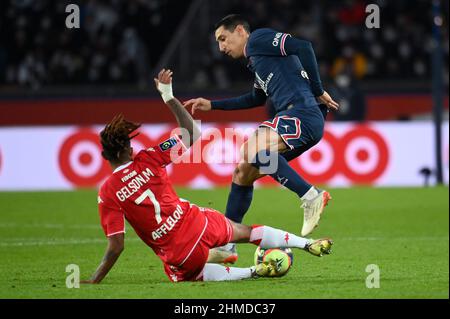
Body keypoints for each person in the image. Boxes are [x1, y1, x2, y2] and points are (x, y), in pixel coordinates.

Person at [81, 69, 333, 283]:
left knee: (185, 272)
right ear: (129, 147)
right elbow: (192, 134)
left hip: (179, 251)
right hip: (200, 223)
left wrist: (95, 279)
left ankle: (252, 271)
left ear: (104, 156)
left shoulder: (108, 192)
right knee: (245, 231)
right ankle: (305, 243)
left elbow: (116, 246)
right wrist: (168, 96)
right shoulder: (149, 157)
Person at [184, 15, 339, 259]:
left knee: (250, 150)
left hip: (301, 114)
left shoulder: (257, 40)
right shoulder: (258, 61)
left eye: (223, 39)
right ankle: (227, 243)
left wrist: (318, 91)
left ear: (239, 31)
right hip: (303, 121)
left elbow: (304, 47)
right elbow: (254, 99)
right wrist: (212, 105)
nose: (221, 47)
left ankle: (311, 196)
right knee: (243, 172)